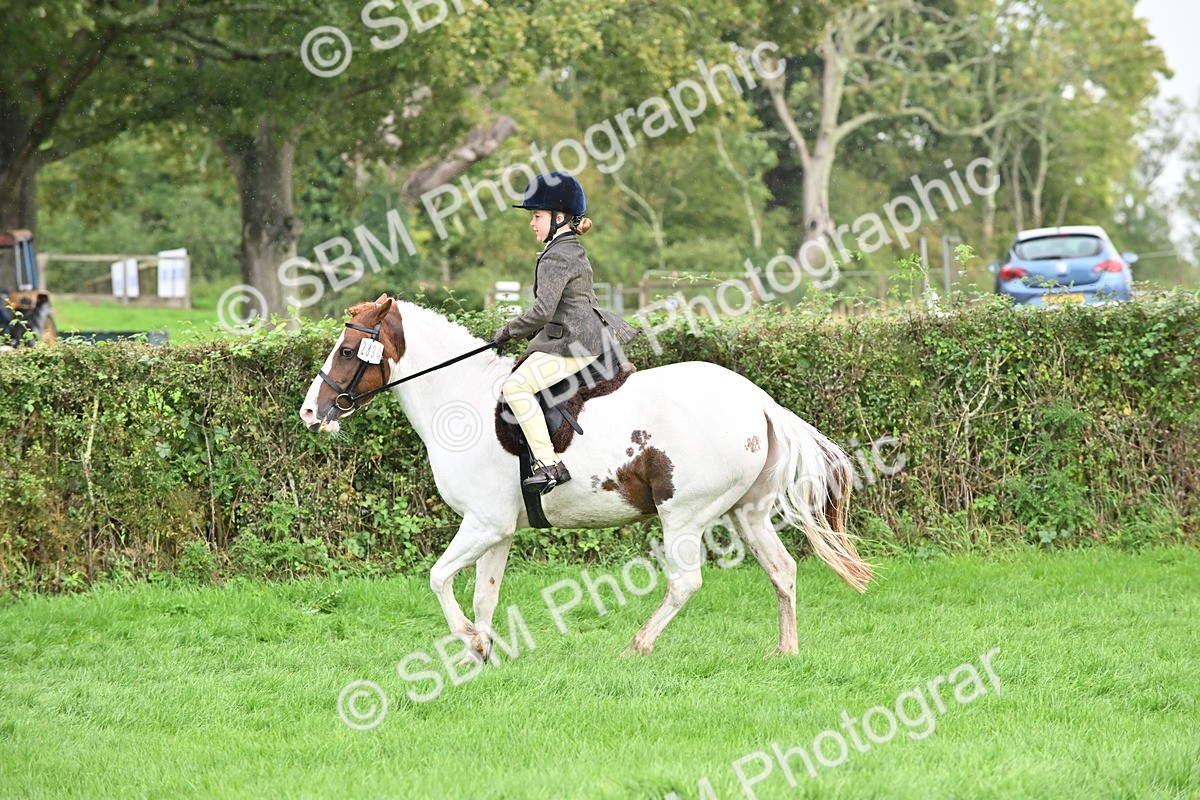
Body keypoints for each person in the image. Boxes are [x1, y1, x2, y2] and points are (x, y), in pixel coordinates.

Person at [494, 172, 636, 494]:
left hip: (573, 343)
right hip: (583, 336)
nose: (532, 223)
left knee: (516, 387)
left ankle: (548, 464)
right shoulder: (570, 247)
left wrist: (507, 332)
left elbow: (543, 312)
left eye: (537, 216)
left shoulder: (556, 255)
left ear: (559, 218)